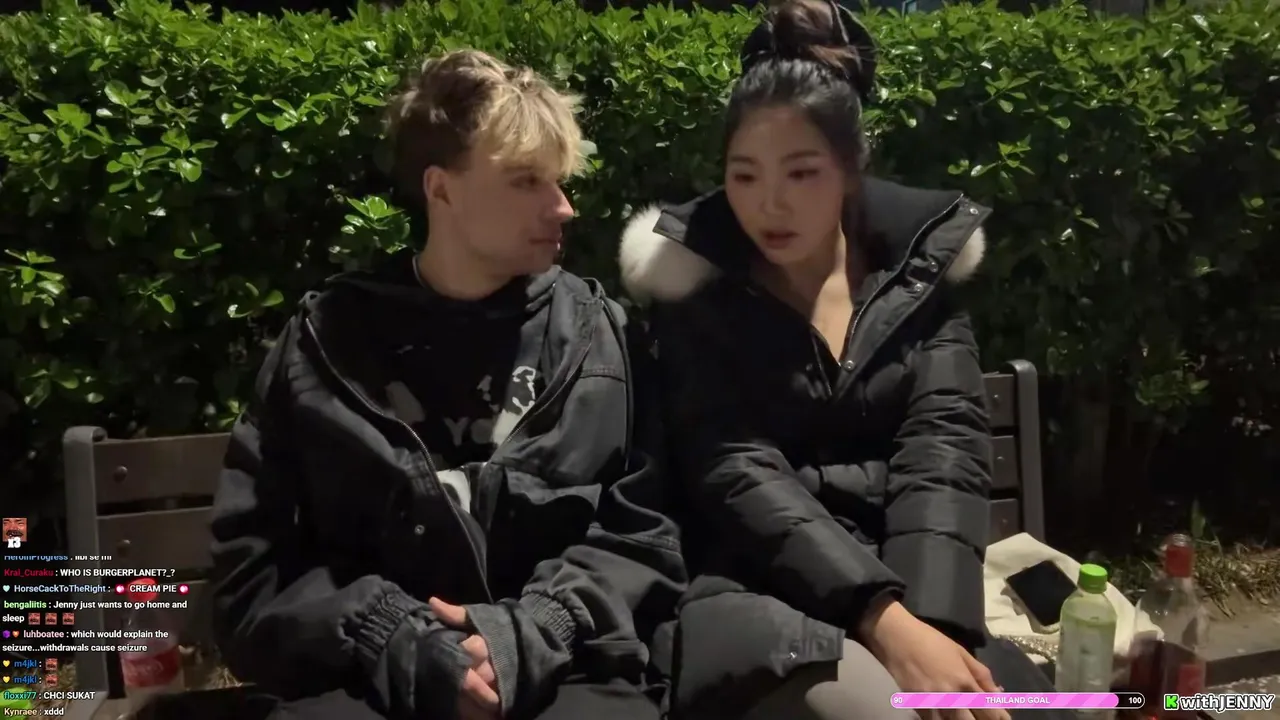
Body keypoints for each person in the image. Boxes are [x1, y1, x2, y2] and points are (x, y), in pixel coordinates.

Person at [618, 2, 1073, 719]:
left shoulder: (916, 277)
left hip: (908, 587)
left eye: (801, 173)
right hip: (749, 592)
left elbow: (944, 449)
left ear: (851, 169)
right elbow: (734, 469)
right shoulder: (695, 288)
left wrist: (932, 627)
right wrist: (883, 621)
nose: (769, 204)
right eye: (744, 176)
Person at [209, 49, 685, 720]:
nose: (563, 206)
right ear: (441, 189)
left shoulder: (599, 335)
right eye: (526, 181)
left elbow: (648, 532)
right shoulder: (325, 343)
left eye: (557, 179)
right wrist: (389, 635)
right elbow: (253, 576)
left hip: (562, 675)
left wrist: (536, 629)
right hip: (371, 685)